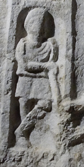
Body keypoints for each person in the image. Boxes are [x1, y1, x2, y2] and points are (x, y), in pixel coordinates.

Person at [15, 8, 58, 141]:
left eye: (42, 23)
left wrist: (51, 67)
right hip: (25, 78)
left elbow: (52, 63)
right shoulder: (23, 45)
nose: (39, 26)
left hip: (42, 79)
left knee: (45, 104)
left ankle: (22, 130)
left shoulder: (49, 45)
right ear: (28, 25)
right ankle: (23, 136)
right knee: (24, 102)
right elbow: (25, 65)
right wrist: (45, 66)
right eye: (35, 22)